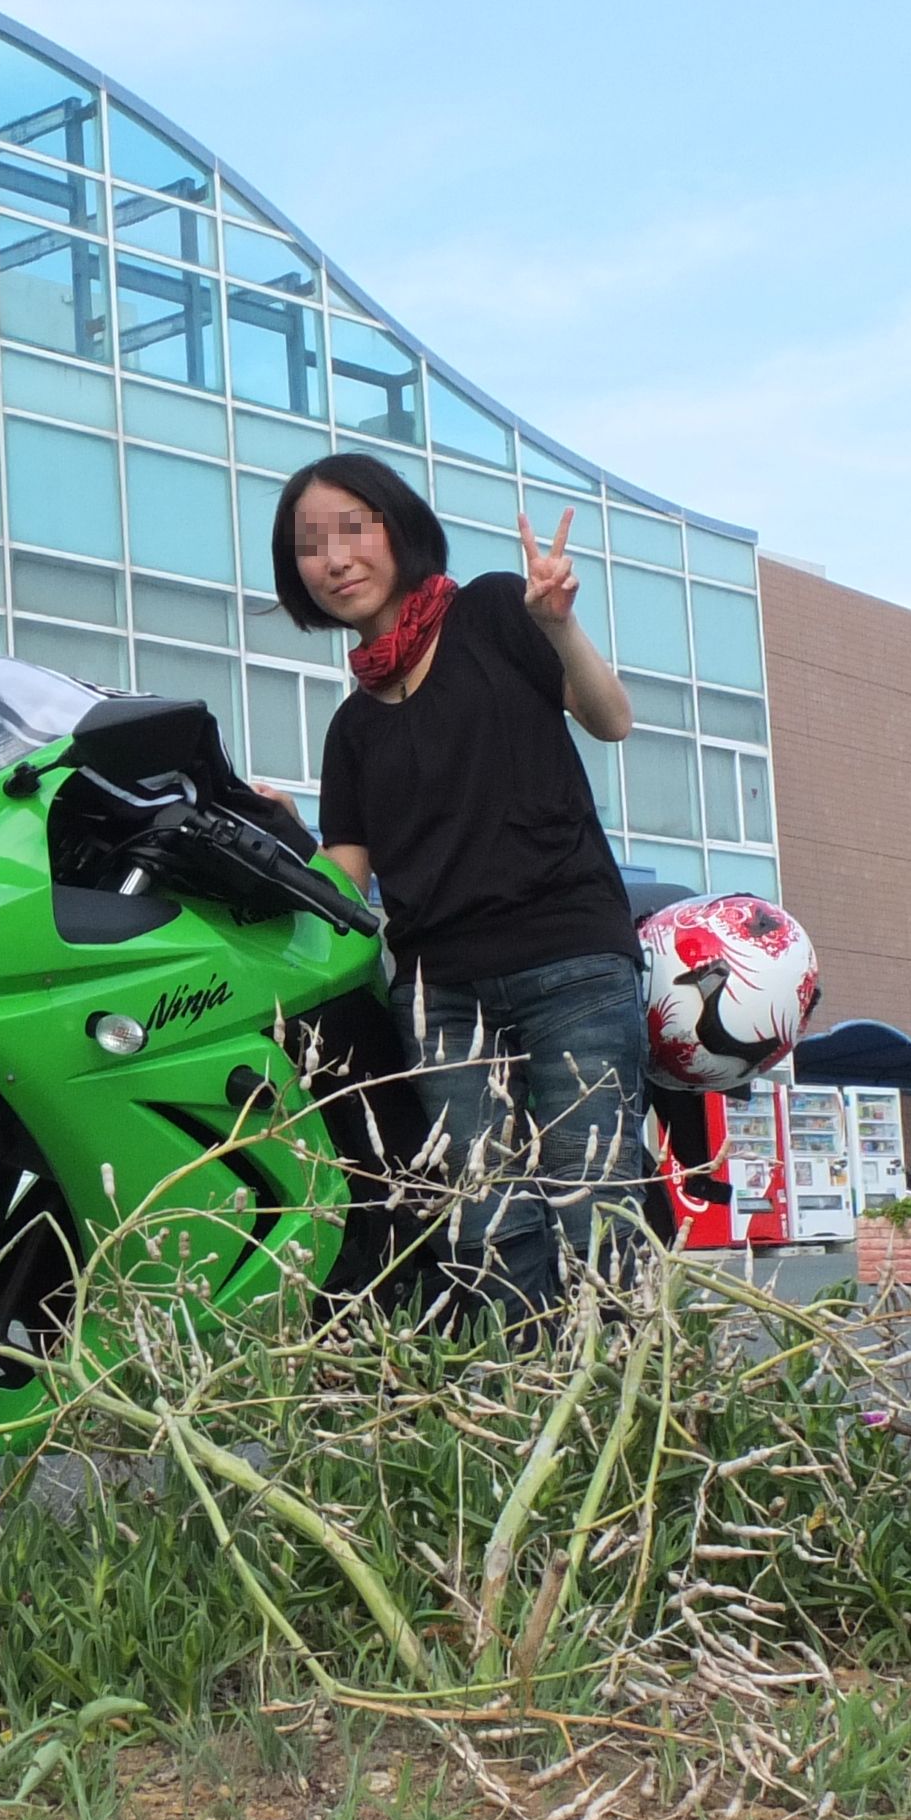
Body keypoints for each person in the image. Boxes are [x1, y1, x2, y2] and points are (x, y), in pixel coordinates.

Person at [279, 452, 648, 1317]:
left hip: (570, 963)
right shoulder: (351, 728)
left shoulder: (490, 610)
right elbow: (346, 884)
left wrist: (558, 624)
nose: (334, 559)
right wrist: (280, 838)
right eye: (309, 546)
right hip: (440, 997)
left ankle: (622, 1391)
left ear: (399, 528)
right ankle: (526, 1390)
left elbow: (612, 719)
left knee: (593, 1210)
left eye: (351, 529)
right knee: (485, 1230)